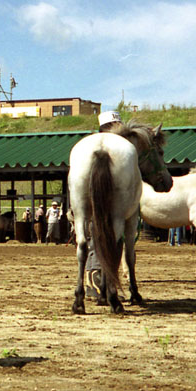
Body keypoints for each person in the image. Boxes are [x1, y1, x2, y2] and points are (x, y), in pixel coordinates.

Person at [85, 111, 124, 302]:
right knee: (95, 240)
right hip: (100, 206)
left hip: (105, 205)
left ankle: (100, 281)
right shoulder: (103, 149)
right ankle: (93, 280)